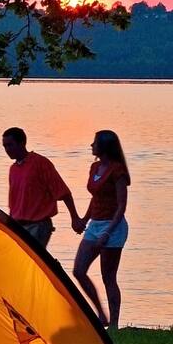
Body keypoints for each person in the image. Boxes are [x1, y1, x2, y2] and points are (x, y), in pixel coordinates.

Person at [73, 130, 130, 330]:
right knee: (79, 270)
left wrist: (107, 233)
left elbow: (121, 205)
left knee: (108, 277)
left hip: (112, 227)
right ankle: (101, 315)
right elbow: (95, 197)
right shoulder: (94, 167)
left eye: (94, 142)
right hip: (95, 225)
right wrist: (83, 219)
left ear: (104, 146)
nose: (91, 145)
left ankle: (114, 324)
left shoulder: (118, 171)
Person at [2, 127, 83, 247]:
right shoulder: (13, 169)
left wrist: (75, 218)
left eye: (10, 145)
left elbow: (63, 192)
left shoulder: (40, 163)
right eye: (5, 146)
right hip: (18, 226)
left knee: (32, 262)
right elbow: (14, 201)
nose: (7, 149)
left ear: (22, 143)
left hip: (38, 226)